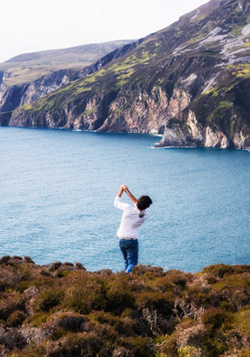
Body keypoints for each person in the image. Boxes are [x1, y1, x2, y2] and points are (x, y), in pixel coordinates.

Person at [114, 185, 152, 273]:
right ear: (146, 207)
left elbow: (116, 202)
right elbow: (137, 204)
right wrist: (127, 191)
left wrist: (122, 191)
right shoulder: (145, 215)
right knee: (132, 263)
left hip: (121, 239)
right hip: (132, 240)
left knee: (126, 261)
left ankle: (125, 280)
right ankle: (126, 277)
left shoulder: (127, 208)